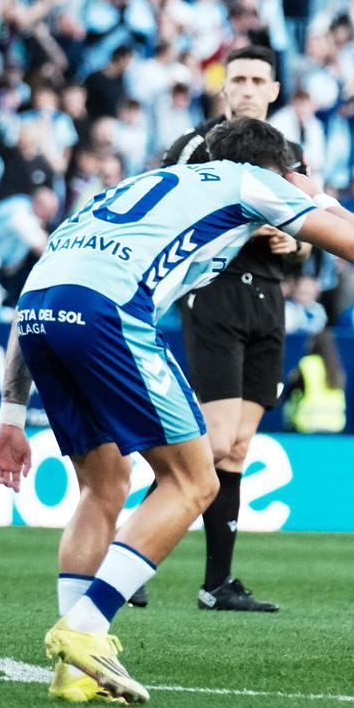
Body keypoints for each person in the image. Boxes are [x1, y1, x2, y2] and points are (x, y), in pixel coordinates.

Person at [0, 117, 354, 705]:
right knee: (195, 481)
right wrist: (312, 192)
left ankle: (74, 671)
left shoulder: (127, 189)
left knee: (103, 487)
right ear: (275, 169)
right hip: (108, 313)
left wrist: (12, 417)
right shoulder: (250, 180)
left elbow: (34, 295)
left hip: (41, 314)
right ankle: (86, 627)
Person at [130, 45, 309, 613]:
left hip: (269, 300)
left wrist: (291, 243)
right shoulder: (195, 145)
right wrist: (245, 230)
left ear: (274, 91)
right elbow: (163, 211)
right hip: (215, 293)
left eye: (258, 80)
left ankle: (218, 583)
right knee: (211, 443)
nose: (248, 89)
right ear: (224, 87)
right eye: (239, 79)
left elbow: (309, 238)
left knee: (235, 450)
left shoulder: (290, 154)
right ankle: (126, 553)